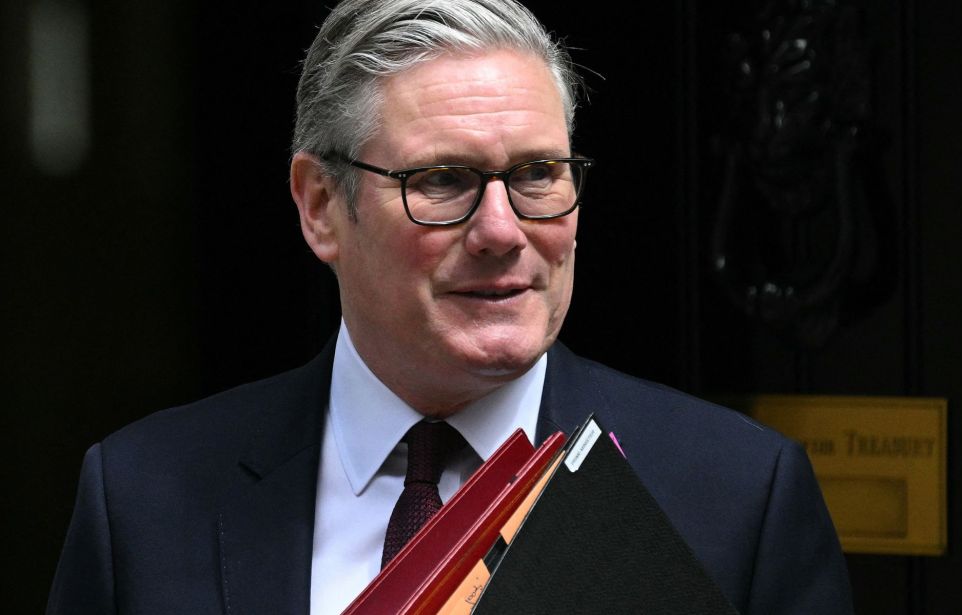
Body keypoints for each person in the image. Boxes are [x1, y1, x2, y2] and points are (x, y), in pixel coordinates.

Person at [47, 1, 854, 613]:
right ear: (321, 205)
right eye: (442, 180)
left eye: (537, 173)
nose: (502, 230)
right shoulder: (143, 501)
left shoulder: (737, 497)